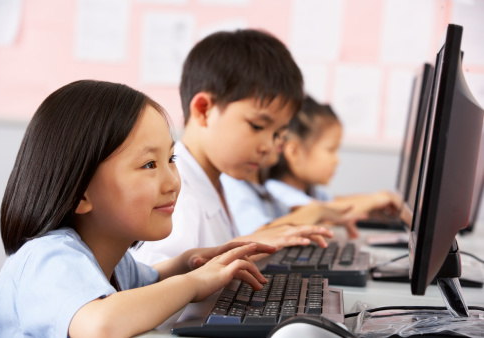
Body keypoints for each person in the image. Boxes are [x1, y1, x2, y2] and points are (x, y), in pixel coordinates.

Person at [0, 80, 278, 338]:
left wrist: (190, 263)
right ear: (80, 195)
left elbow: (151, 283)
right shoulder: (47, 257)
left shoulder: (111, 259)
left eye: (171, 159)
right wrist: (193, 283)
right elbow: (100, 324)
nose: (172, 181)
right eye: (149, 165)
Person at [131, 29, 334, 266]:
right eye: (257, 126)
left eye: (278, 134)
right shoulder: (177, 193)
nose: (268, 147)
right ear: (204, 110)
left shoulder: (216, 181)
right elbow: (151, 284)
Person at [265, 95, 398, 234]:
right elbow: (327, 211)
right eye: (330, 149)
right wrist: (374, 200)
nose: (337, 160)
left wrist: (375, 207)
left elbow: (335, 202)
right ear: (294, 152)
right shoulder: (277, 190)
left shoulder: (310, 190)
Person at [221, 128, 358, 238]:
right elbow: (257, 237)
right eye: (275, 132)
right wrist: (317, 211)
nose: (282, 138)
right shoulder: (234, 186)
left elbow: (289, 214)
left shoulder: (261, 188)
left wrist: (317, 216)